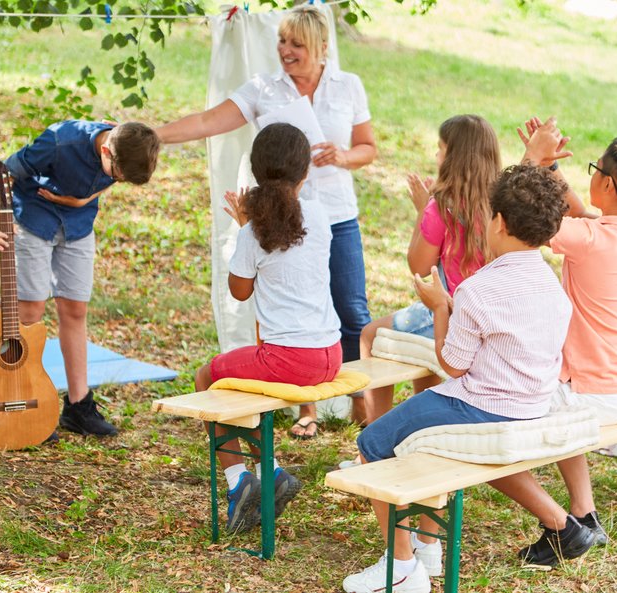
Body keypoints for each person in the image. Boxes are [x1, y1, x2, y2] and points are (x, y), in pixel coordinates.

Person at [343, 164, 595, 593]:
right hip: (532, 402)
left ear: (497, 221)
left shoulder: (477, 289)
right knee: (417, 433)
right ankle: (425, 547)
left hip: (480, 405)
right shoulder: (553, 286)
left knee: (371, 444)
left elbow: (454, 365)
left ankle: (400, 567)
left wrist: (441, 308)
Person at [155, 5, 376, 439]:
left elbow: (368, 147)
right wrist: (154, 134)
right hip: (279, 219)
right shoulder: (264, 89)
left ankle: (360, 408)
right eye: (282, 41)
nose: (286, 51)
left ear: (322, 47)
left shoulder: (348, 86)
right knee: (279, 307)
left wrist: (344, 156)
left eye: (297, 44)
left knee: (351, 310)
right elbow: (206, 121)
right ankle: (305, 411)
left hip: (334, 215)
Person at [520, 118, 617, 544]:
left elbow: (522, 213)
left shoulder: (588, 238)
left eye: (595, 170)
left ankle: (564, 529)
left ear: (609, 186)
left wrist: (531, 160)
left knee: (500, 402)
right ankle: (586, 516)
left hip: (589, 395)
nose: (591, 177)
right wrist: (549, 169)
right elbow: (582, 214)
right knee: (560, 397)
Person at [193, 123, 343, 533]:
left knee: (207, 377)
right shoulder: (320, 215)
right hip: (330, 353)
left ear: (256, 173)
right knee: (243, 385)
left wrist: (243, 228)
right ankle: (272, 471)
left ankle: (239, 480)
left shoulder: (254, 231)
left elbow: (239, 292)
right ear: (306, 172)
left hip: (290, 359)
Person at [0, 120, 160, 438]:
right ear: (106, 150)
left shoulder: (130, 144)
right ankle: (17, 397)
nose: (116, 181)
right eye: (116, 176)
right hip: (34, 218)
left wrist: (81, 200)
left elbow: (114, 175)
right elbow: (4, 171)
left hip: (78, 224)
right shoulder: (59, 142)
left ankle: (78, 407)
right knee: (30, 313)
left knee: (75, 310)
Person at [354, 114, 501, 429]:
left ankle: (373, 433)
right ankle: (427, 427)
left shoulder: (442, 205)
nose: (436, 156)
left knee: (371, 334)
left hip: (452, 315)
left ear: (454, 158)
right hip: (491, 317)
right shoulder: (500, 203)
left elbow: (419, 269)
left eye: (440, 148)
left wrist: (424, 210)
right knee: (425, 338)